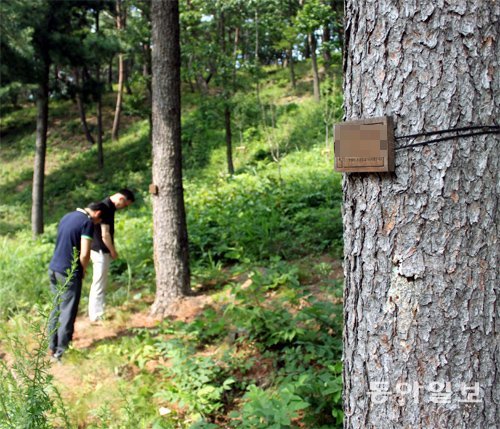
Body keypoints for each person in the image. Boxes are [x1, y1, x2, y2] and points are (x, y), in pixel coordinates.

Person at [48, 202, 106, 361]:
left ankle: (51, 346)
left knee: (56, 307)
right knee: (67, 310)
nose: (96, 224)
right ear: (97, 213)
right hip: (68, 271)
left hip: (54, 268)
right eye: (98, 222)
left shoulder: (67, 216)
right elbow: (85, 253)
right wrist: (82, 269)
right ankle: (61, 351)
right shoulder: (86, 222)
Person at [88, 188, 135, 322]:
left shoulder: (107, 207)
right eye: (125, 204)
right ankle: (96, 315)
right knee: (99, 282)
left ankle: (99, 311)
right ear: (121, 199)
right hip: (100, 251)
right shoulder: (105, 208)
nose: (124, 207)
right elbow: (105, 234)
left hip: (98, 250)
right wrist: (113, 251)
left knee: (101, 282)